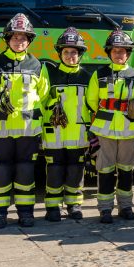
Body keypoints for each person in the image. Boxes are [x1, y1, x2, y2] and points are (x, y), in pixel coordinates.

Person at [0, 14, 49, 229]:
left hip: (28, 130)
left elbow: (43, 93)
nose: (19, 41)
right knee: (0, 171)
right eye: (15, 37)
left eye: (23, 38)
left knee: (26, 171)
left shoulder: (37, 65)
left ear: (29, 41)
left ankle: (25, 212)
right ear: (8, 39)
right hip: (0, 128)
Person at [87, 29, 134, 223]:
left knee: (127, 169)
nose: (119, 54)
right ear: (109, 52)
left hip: (128, 130)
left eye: (122, 51)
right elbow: (91, 100)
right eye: (115, 51)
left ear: (128, 54)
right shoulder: (99, 74)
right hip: (105, 130)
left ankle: (125, 207)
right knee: (105, 169)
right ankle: (105, 209)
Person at [42, 28, 94, 221]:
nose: (70, 56)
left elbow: (93, 105)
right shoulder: (49, 75)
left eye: (74, 52)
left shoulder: (88, 77)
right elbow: (40, 101)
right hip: (54, 134)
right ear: (60, 54)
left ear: (80, 54)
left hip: (78, 134)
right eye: (66, 52)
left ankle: (74, 205)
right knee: (54, 170)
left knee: (76, 170)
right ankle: (52, 207)